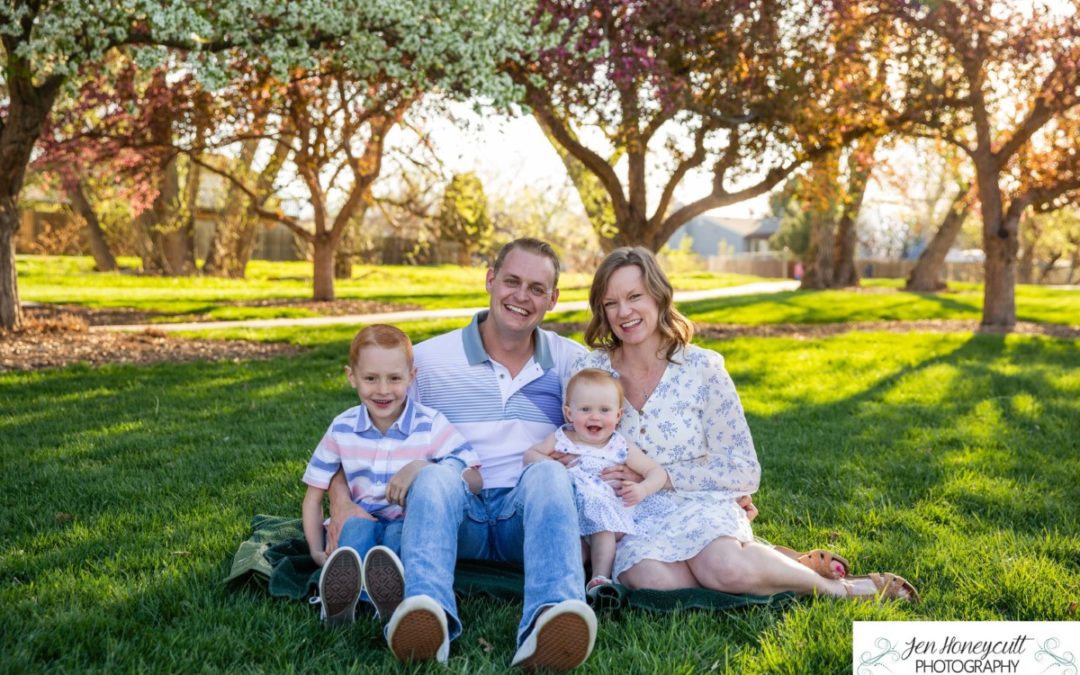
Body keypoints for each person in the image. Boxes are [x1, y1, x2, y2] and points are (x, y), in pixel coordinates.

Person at [573, 246, 919, 603]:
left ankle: (842, 589)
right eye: (611, 302)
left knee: (723, 568)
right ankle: (785, 562)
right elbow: (568, 442)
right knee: (649, 581)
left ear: (659, 296)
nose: (623, 312)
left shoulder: (703, 369)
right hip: (633, 514)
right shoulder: (590, 370)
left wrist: (660, 476)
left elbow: (743, 469)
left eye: (634, 296)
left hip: (698, 502)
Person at [326, 239, 598, 670]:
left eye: (536, 288)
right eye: (511, 281)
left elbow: (622, 422)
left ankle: (551, 617)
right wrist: (340, 502)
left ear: (553, 299)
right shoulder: (432, 360)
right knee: (432, 475)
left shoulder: (571, 362)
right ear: (490, 280)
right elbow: (362, 433)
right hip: (456, 512)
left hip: (524, 517)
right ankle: (425, 614)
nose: (521, 297)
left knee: (549, 475)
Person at [302, 324, 481, 625]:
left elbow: (474, 477)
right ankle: (341, 600)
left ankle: (387, 596)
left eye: (395, 378)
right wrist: (317, 551)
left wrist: (428, 468)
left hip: (407, 520)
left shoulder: (430, 424)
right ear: (352, 377)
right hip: (359, 517)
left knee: (399, 538)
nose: (383, 390)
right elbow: (313, 496)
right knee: (355, 531)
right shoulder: (342, 427)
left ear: (412, 377)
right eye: (371, 378)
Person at [523, 367, 668, 596]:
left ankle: (599, 578)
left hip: (609, 514)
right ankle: (565, 581)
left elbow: (656, 472)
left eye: (604, 410)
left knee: (602, 530)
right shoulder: (562, 438)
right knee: (569, 546)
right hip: (571, 515)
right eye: (585, 409)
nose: (595, 416)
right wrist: (557, 466)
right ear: (569, 414)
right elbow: (531, 455)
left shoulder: (619, 445)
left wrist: (642, 489)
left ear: (618, 415)